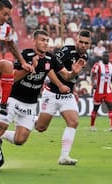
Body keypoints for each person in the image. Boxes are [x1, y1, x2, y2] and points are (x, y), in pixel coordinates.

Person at [0, 30, 86, 146]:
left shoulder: (50, 58)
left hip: (30, 103)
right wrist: (30, 67)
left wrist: (74, 73)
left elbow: (66, 76)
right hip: (14, 98)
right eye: (42, 40)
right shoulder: (26, 55)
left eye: (47, 41)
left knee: (20, 140)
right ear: (34, 41)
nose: (46, 43)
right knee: (1, 126)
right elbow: (13, 78)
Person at [35, 30, 91, 165]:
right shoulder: (66, 51)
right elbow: (49, 68)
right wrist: (60, 84)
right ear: (76, 41)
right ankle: (28, 119)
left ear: (90, 44)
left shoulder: (85, 56)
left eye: (86, 43)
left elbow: (71, 76)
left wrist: (73, 88)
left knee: (73, 122)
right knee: (40, 128)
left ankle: (64, 156)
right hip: (52, 93)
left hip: (67, 95)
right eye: (81, 42)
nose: (83, 45)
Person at [90, 51, 112, 132]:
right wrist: (93, 83)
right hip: (98, 91)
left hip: (108, 91)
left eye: (107, 56)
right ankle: (92, 126)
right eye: (104, 56)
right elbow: (92, 74)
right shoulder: (98, 65)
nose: (106, 57)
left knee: (111, 107)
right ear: (102, 57)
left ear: (109, 57)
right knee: (95, 109)